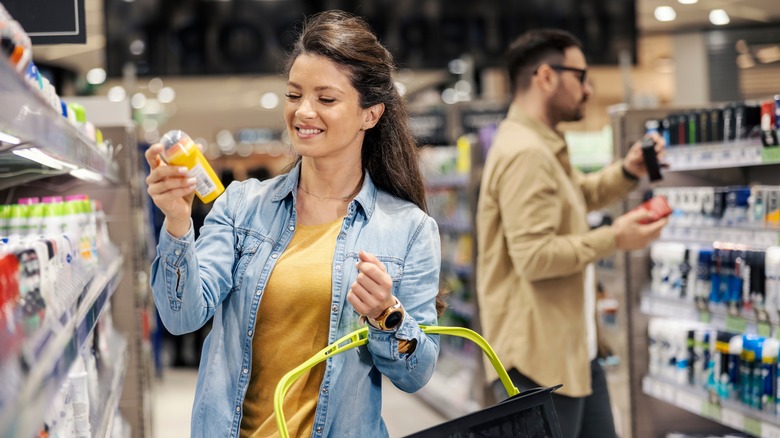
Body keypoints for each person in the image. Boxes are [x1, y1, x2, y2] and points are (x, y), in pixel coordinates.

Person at [145, 10, 443, 438]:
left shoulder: (408, 228)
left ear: (370, 115)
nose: (303, 112)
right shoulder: (242, 206)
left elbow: (416, 375)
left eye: (326, 99)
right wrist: (176, 223)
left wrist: (386, 315)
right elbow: (181, 317)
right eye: (293, 94)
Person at [476, 29, 668, 438]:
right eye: (580, 76)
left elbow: (575, 197)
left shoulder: (542, 144)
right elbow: (535, 256)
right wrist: (615, 238)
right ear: (546, 76)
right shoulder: (525, 153)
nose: (588, 88)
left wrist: (628, 171)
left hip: (572, 350)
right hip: (537, 363)